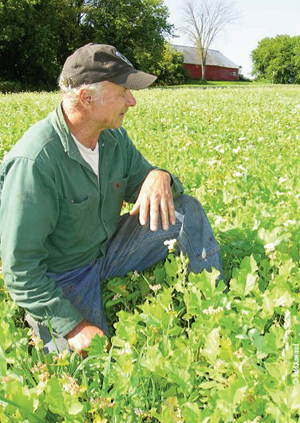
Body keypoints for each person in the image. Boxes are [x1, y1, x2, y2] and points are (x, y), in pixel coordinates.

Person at [0, 43, 224, 355]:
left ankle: (217, 309)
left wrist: (161, 176)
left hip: (106, 247)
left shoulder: (113, 137)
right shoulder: (34, 163)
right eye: (122, 91)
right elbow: (20, 270)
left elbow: (149, 185)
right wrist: (73, 327)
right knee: (92, 369)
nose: (132, 101)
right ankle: (54, 329)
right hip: (62, 274)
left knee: (186, 211)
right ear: (86, 98)